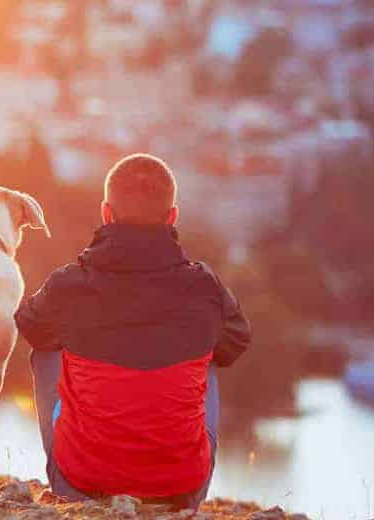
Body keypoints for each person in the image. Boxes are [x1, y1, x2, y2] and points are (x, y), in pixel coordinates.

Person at [15, 153, 252, 509]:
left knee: (46, 349)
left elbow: (31, 326)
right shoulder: (205, 287)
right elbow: (236, 342)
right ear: (172, 216)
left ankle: (78, 476)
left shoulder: (69, 284)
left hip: (82, 482)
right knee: (208, 355)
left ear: (106, 213)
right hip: (182, 488)